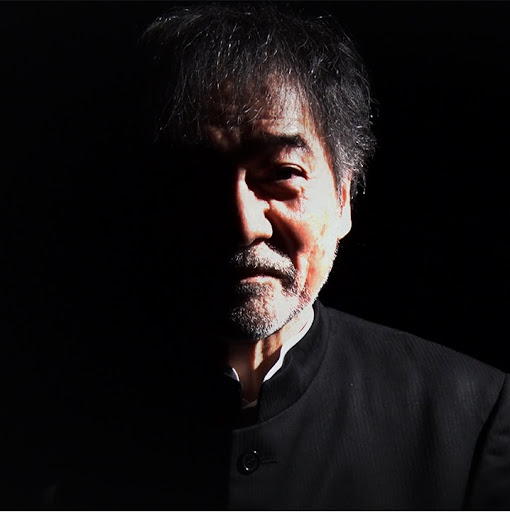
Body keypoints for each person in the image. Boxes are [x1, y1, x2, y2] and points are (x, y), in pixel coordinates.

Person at [3, 2, 509, 509]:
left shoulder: (471, 420)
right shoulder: (48, 419)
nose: (242, 225)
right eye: (197, 179)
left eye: (283, 174)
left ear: (344, 199)